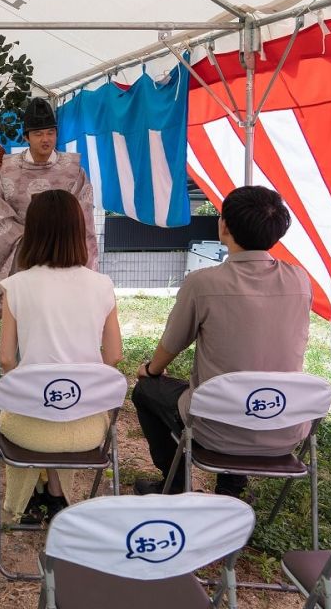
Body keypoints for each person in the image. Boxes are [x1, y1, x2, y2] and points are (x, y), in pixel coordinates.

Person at [131, 185, 312, 498]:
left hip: (215, 428)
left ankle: (174, 484)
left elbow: (172, 345)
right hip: (283, 427)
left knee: (147, 389)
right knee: (246, 385)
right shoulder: (300, 279)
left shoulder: (203, 283)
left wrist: (151, 369)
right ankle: (232, 488)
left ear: (224, 225)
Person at [0, 190, 122, 522]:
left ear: (32, 231)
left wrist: (30, 392)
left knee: (39, 409)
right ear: (77, 230)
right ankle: (54, 496)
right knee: (63, 408)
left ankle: (37, 497)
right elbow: (114, 355)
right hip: (87, 429)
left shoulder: (17, 285)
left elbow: (6, 359)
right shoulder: (102, 285)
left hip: (28, 428)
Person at [0, 97, 98, 327]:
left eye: (50, 133)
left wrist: (55, 240)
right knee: (23, 322)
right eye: (38, 134)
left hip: (64, 255)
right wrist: (33, 238)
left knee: (62, 320)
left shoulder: (73, 171)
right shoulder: (7, 171)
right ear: (26, 137)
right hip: (24, 256)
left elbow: (83, 218)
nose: (45, 139)